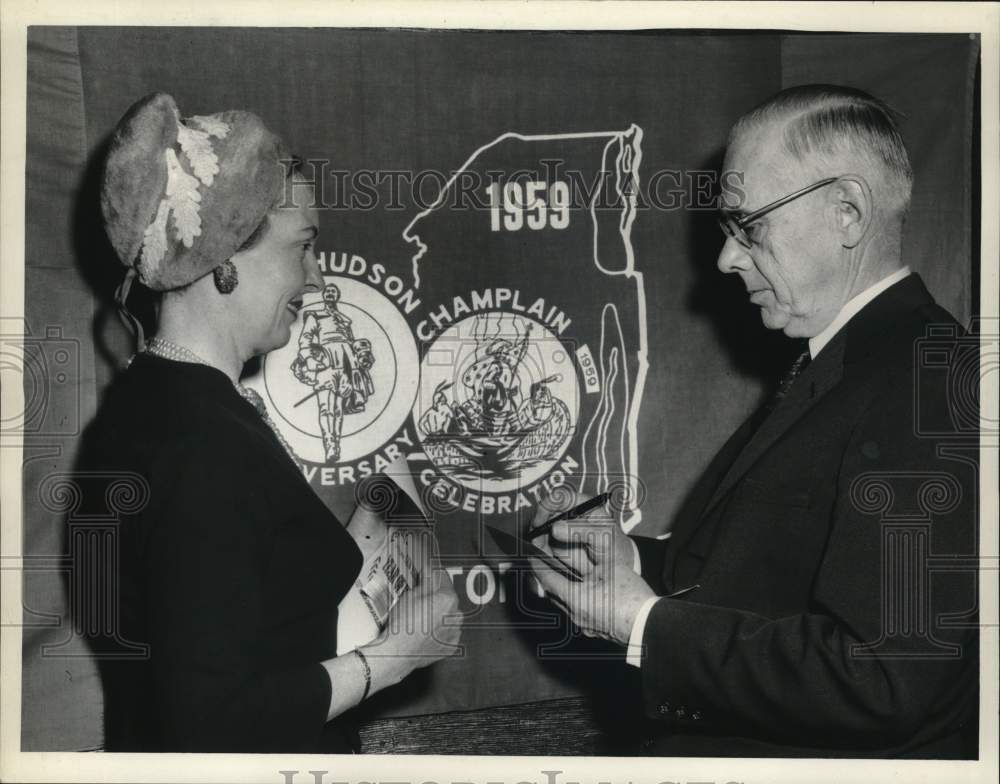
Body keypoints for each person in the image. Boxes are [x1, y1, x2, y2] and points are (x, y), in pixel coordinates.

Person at [530, 84, 978, 758]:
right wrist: (631, 561)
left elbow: (883, 680)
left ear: (848, 213)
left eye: (749, 226)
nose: (726, 258)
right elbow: (767, 582)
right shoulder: (852, 366)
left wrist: (637, 619)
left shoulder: (928, 380)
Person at [77, 93, 461, 753]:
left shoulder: (155, 406)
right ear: (224, 259)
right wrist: (396, 657)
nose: (315, 277)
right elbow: (209, 721)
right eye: (302, 247)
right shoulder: (199, 442)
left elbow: (233, 630)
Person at [292, 282, 376, 462]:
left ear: (337, 296)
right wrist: (309, 359)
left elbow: (352, 343)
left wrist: (363, 355)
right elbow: (304, 340)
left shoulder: (344, 320)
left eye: (333, 291)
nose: (330, 294)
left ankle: (336, 444)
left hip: (347, 364)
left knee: (338, 409)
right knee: (326, 407)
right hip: (325, 362)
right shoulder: (315, 316)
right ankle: (329, 444)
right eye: (327, 291)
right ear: (324, 295)